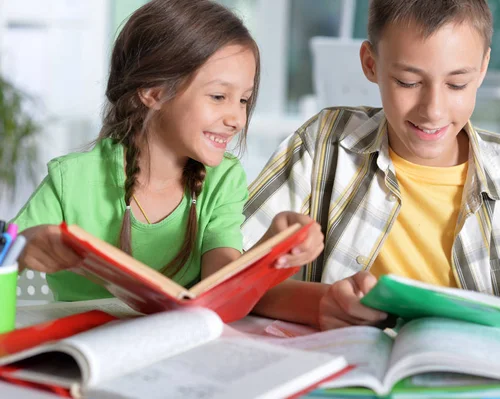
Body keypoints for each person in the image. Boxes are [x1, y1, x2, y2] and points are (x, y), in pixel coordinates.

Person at [242, 0, 500, 330]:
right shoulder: (323, 147)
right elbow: (228, 281)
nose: (433, 110)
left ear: (483, 68)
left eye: (457, 84)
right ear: (371, 64)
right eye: (408, 82)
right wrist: (319, 303)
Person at [12, 0, 323, 301]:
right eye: (218, 96)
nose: (237, 119)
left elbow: (221, 279)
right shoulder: (72, 178)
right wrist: (24, 245)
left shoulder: (224, 179)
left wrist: (273, 247)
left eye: (243, 100)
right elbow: (8, 253)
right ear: (153, 93)